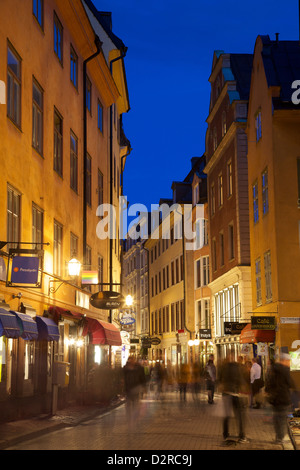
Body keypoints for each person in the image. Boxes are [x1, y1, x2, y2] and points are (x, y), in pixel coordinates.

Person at [265, 353, 296, 444]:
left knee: (277, 418)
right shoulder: (285, 370)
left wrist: (269, 392)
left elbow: (268, 383)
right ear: (285, 360)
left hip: (274, 398)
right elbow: (290, 383)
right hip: (283, 397)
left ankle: (278, 437)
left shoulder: (273, 370)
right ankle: (281, 438)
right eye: (288, 361)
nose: (289, 363)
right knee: (282, 419)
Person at [218, 354, 248, 444]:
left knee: (226, 415)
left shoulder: (223, 368)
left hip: (226, 393)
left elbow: (219, 379)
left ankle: (225, 434)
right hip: (235, 394)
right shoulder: (237, 367)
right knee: (240, 415)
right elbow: (241, 379)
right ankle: (242, 435)